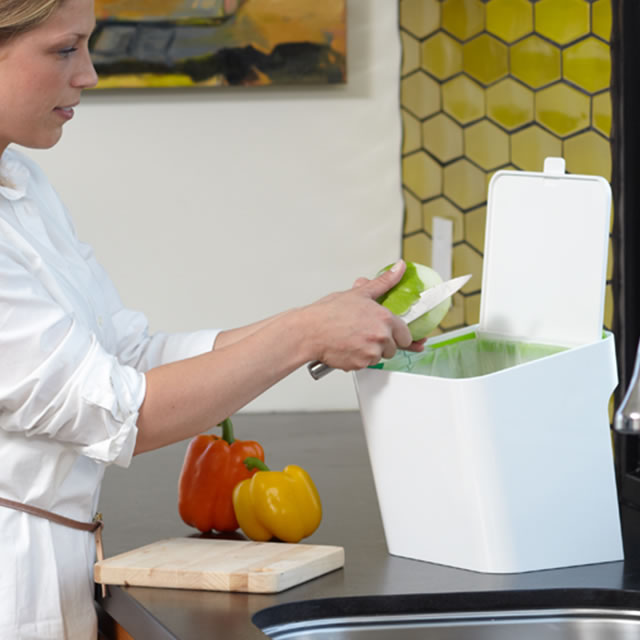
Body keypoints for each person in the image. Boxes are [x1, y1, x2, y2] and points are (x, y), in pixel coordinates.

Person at [0, 0, 425, 637]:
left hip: (51, 560)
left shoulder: (21, 184)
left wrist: (318, 317)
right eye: (65, 49)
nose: (88, 73)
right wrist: (303, 335)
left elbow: (126, 353)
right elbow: (120, 411)